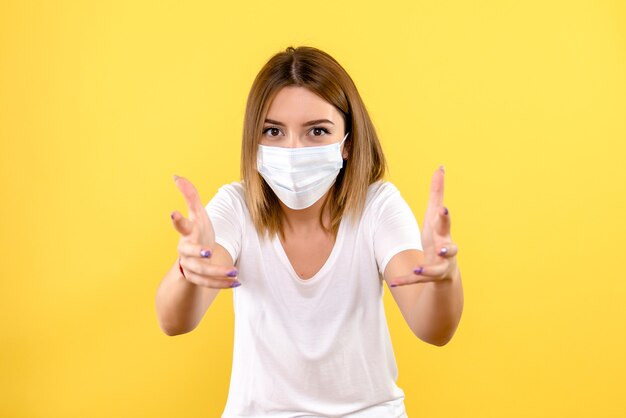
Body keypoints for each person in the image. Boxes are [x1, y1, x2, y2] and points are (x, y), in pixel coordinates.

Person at [156, 46, 464, 418]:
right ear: (254, 141)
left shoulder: (377, 206)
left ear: (347, 143)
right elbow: (174, 322)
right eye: (273, 131)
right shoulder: (236, 207)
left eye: (317, 131)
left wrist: (444, 279)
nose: (293, 149)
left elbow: (432, 327)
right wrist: (190, 268)